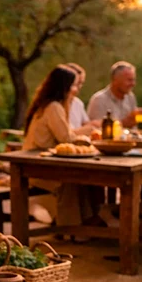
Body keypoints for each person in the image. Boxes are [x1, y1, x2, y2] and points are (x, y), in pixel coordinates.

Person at [22, 65, 103, 228]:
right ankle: (72, 228)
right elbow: (67, 138)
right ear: (64, 86)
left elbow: (65, 133)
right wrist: (89, 132)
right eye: (74, 85)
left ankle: (84, 223)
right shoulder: (53, 107)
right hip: (38, 168)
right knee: (74, 180)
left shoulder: (49, 104)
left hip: (43, 163)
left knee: (87, 179)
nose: (76, 90)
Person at [87, 61, 142, 128]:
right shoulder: (99, 100)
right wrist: (122, 123)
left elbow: (133, 128)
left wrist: (137, 116)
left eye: (134, 80)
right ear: (115, 80)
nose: (133, 84)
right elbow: (95, 129)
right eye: (129, 80)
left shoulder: (130, 97)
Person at [66, 63, 90, 130]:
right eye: (76, 83)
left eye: (81, 83)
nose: (78, 87)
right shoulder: (55, 105)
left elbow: (86, 124)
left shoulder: (78, 103)